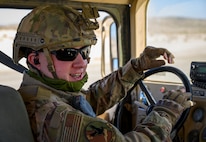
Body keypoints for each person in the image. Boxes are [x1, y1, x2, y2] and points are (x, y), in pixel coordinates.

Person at [13, 4, 193, 142]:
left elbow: (89, 100)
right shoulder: (55, 116)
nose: (82, 63)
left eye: (85, 51)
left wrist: (136, 67)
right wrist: (164, 113)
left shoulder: (44, 95)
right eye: (67, 54)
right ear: (35, 59)